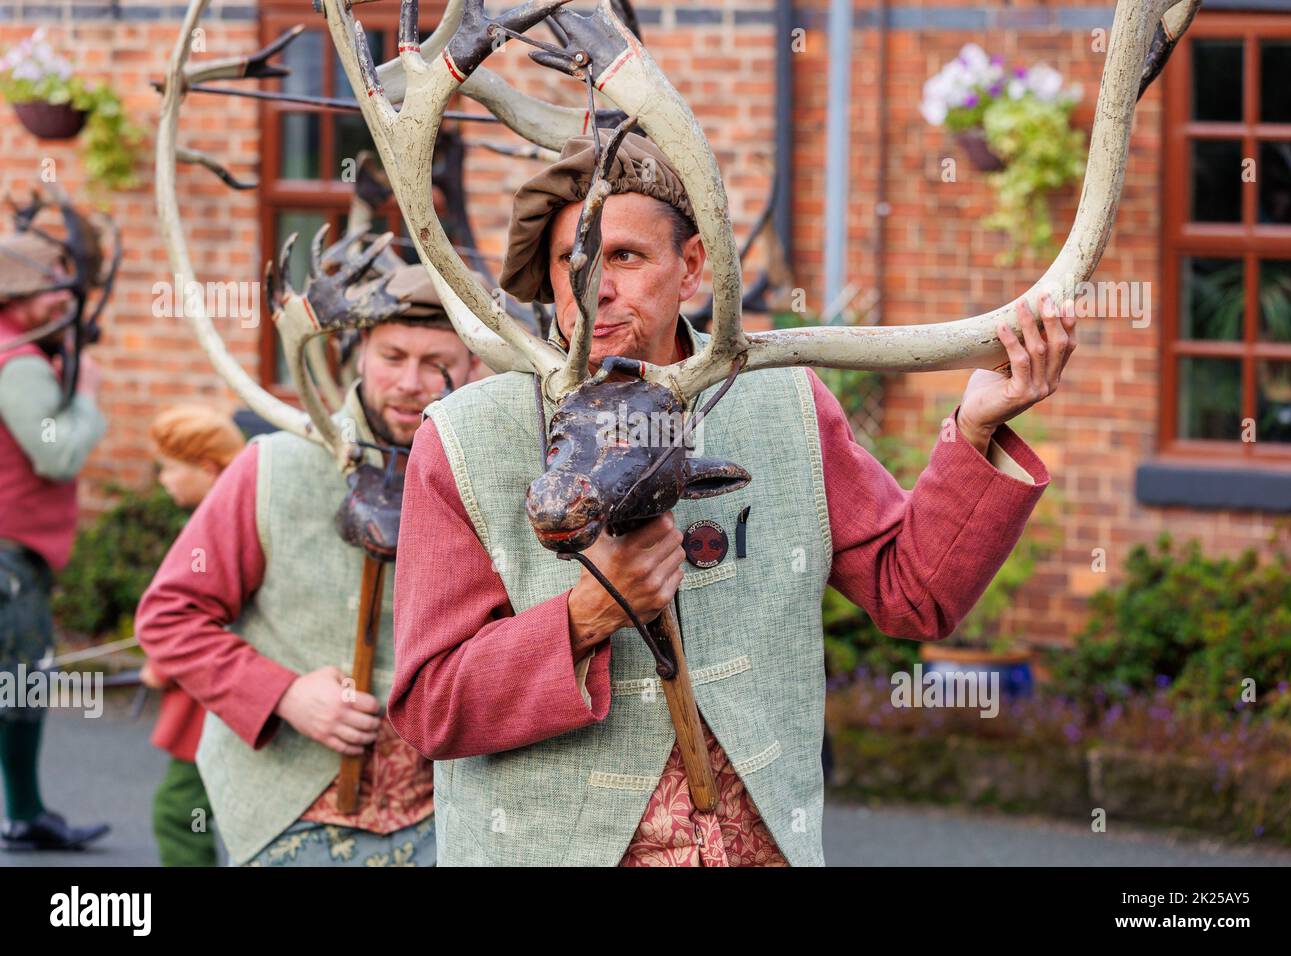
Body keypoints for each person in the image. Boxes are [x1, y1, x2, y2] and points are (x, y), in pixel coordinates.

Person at [388, 133, 1074, 866]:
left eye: (625, 256)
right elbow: (430, 705)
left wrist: (977, 425)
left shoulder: (782, 400)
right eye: (574, 262)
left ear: (690, 269)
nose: (596, 287)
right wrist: (586, 617)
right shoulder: (464, 437)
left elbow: (916, 592)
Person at [135, 265, 480, 866]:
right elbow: (169, 616)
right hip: (290, 810)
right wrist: (286, 693)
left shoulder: (491, 479)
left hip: (451, 812)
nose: (410, 381)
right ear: (358, 354)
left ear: (473, 365)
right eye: (392, 355)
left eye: (435, 362)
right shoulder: (272, 466)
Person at [0, 230, 110, 851]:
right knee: (21, 685)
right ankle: (24, 815)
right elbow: (57, 453)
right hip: (9, 556)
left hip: (14, 553)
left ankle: (25, 812)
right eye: (50, 289)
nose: (62, 303)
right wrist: (87, 393)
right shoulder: (17, 364)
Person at [140, 404, 245, 866]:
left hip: (216, 699)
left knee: (179, 811)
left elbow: (200, 609)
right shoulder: (236, 513)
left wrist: (162, 662)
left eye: (168, 468)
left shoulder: (217, 528)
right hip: (230, 695)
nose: (162, 480)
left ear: (206, 468)